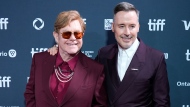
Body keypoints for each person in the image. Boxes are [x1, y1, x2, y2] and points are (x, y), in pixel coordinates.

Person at [48, 2, 170, 106]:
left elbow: (161, 103)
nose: (127, 32)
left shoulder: (155, 58)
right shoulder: (104, 54)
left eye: (132, 26)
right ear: (112, 27)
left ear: (138, 27)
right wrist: (61, 50)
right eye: (121, 26)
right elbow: (83, 76)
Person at [24, 10, 107, 107]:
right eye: (66, 34)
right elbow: (30, 93)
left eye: (77, 34)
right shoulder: (39, 60)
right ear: (56, 36)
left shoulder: (95, 69)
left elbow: (100, 104)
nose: (73, 38)